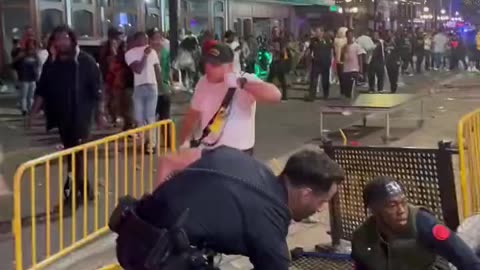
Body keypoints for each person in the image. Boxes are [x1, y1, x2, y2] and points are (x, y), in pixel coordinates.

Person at [113, 146, 345, 270]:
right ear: (305, 194)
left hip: (131, 232)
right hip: (153, 257)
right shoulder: (270, 224)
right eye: (322, 201)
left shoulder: (236, 157)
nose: (320, 210)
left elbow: (178, 160)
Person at [29, 25, 103, 204]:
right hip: (62, 116)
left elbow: (97, 89)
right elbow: (42, 89)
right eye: (57, 39)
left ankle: (74, 190)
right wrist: (33, 113)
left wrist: (100, 113)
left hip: (82, 115)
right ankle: (84, 189)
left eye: (65, 38)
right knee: (71, 153)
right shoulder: (51, 63)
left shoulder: (85, 61)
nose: (61, 42)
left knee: (77, 153)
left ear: (72, 39)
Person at [352, 176, 480, 270]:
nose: (401, 210)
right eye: (392, 205)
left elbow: (467, 260)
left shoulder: (424, 223)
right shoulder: (362, 238)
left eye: (403, 202)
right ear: (374, 209)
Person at [178, 43, 280, 154]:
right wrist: (184, 141)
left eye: (215, 64)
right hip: (208, 149)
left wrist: (241, 84)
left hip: (238, 153)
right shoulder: (202, 82)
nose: (209, 68)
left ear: (230, 66)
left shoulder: (244, 79)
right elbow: (192, 116)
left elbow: (275, 95)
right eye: (207, 63)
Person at [125, 31, 162, 153]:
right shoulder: (130, 53)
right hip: (139, 86)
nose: (145, 43)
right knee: (139, 117)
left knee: (150, 116)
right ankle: (146, 141)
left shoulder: (153, 52)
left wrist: (161, 85)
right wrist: (145, 56)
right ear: (136, 40)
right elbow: (138, 69)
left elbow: (157, 69)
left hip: (152, 86)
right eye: (143, 40)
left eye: (146, 40)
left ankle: (152, 145)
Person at [306, 27, 333, 101]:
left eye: (318, 32)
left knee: (325, 80)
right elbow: (309, 50)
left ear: (322, 32)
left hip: (325, 63)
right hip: (316, 63)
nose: (316, 33)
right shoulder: (313, 41)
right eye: (316, 32)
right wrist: (308, 60)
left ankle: (326, 95)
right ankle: (312, 96)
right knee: (314, 80)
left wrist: (331, 60)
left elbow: (331, 51)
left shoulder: (328, 41)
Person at [14, 38, 40, 115]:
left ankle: (30, 109)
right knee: (24, 95)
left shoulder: (35, 55)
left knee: (31, 96)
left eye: (33, 45)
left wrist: (37, 75)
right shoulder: (22, 54)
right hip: (24, 78)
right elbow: (14, 63)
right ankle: (24, 110)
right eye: (30, 44)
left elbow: (38, 65)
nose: (32, 46)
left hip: (32, 78)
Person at [268, 26, 290, 101]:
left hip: (280, 61)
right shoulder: (272, 40)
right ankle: (271, 94)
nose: (275, 33)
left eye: (276, 31)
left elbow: (283, 52)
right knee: (271, 79)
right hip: (274, 61)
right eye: (273, 31)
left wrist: (276, 50)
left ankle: (284, 96)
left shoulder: (281, 40)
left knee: (281, 78)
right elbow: (270, 50)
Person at [340, 29, 363, 99]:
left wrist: (360, 70)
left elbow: (360, 58)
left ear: (352, 36)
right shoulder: (344, 47)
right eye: (348, 36)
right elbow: (341, 58)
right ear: (346, 37)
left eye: (351, 35)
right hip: (346, 69)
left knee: (352, 85)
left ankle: (353, 97)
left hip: (354, 69)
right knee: (347, 87)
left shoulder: (357, 46)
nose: (349, 37)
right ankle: (348, 97)